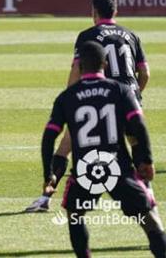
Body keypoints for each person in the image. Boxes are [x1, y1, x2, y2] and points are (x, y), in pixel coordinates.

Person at [26, 0, 150, 212]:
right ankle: (147, 193)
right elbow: (145, 73)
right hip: (128, 96)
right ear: (116, 11)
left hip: (97, 99)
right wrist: (133, 96)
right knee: (136, 143)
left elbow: (76, 70)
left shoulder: (87, 35)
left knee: (66, 146)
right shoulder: (131, 35)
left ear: (94, 11)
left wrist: (72, 101)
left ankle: (45, 198)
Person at [40, 41, 165, 258]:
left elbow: (49, 137)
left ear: (79, 67)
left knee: (75, 214)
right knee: (149, 219)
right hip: (118, 168)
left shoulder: (66, 97)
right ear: (104, 64)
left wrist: (48, 173)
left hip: (86, 171)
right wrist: (146, 160)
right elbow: (138, 126)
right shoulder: (120, 90)